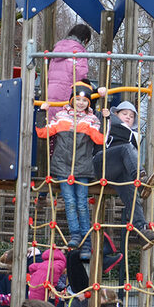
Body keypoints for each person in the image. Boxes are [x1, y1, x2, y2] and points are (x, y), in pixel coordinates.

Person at [37, 81, 106, 259]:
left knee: (82, 203)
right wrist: (41, 112)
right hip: (62, 166)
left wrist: (105, 118)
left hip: (82, 167)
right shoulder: (61, 116)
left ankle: (86, 241)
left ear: (89, 103)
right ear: (71, 100)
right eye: (77, 99)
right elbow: (42, 133)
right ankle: (75, 235)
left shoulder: (91, 119)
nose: (81, 103)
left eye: (84, 100)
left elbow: (100, 139)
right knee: (69, 201)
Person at [93, 100, 154, 249]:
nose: (128, 117)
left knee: (132, 196)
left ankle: (142, 230)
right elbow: (90, 110)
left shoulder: (133, 136)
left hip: (116, 170)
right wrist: (100, 100)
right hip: (101, 162)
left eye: (131, 116)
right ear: (116, 114)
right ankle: (141, 177)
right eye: (124, 113)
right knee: (126, 149)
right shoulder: (107, 121)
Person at [46, 24, 93, 123]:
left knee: (53, 122)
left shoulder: (57, 49)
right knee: (66, 123)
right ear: (85, 39)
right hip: (67, 92)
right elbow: (81, 75)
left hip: (52, 91)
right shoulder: (79, 52)